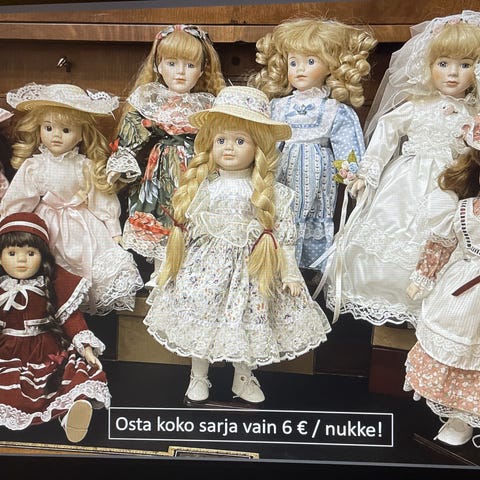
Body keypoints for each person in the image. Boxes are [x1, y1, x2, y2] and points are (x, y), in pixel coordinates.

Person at [143, 86, 331, 405]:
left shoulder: (269, 194)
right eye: (221, 140)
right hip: (207, 268)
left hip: (252, 270)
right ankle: (198, 375)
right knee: (203, 314)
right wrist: (165, 268)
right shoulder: (205, 188)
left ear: (258, 147)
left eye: (240, 141)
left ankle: (242, 377)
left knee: (247, 319)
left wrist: (289, 274)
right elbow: (182, 232)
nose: (228, 148)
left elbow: (283, 237)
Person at [324, 11, 480, 326]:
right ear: (428, 66)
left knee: (440, 238)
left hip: (450, 187)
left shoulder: (473, 115)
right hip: (405, 184)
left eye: (464, 65)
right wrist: (369, 172)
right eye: (443, 64)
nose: (452, 74)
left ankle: (428, 308)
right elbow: (387, 130)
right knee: (390, 234)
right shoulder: (417, 106)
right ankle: (386, 300)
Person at [1, 83, 143, 316]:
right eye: (48, 128)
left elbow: (101, 200)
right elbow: (19, 200)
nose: (56, 135)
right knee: (49, 270)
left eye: (66, 130)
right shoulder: (34, 166)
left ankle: (82, 315)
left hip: (82, 224)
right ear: (39, 128)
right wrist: (9, 225)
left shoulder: (85, 166)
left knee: (92, 266)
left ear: (81, 135)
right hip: (47, 223)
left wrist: (114, 230)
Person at [248, 17, 377, 274]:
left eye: (310, 61)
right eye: (293, 62)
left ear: (330, 65)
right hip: (282, 174)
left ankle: (307, 273)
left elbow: (347, 148)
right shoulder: (277, 106)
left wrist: (354, 176)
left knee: (314, 216)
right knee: (280, 214)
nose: (300, 69)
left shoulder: (334, 110)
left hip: (317, 178)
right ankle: (278, 267)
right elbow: (265, 143)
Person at [107, 24, 226, 268]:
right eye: (172, 64)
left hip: (196, 169)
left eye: (190, 65)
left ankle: (189, 269)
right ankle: (160, 271)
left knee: (193, 219)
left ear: (202, 70)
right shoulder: (152, 100)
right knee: (160, 216)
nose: (180, 72)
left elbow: (219, 138)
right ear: (158, 66)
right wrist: (122, 160)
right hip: (159, 171)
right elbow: (133, 127)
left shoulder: (207, 104)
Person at [0, 212, 110, 443]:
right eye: (12, 253)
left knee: (67, 377)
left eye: (30, 253)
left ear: (42, 256)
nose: (21, 260)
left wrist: (86, 348)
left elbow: (72, 319)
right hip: (8, 353)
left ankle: (70, 414)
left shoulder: (52, 284)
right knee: (9, 388)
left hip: (46, 352)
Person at [404, 140, 480, 448]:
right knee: (460, 352)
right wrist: (423, 277)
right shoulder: (463, 210)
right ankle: (460, 415)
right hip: (463, 292)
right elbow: (440, 245)